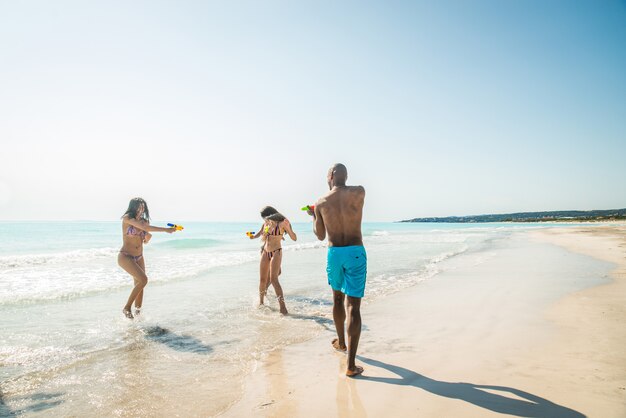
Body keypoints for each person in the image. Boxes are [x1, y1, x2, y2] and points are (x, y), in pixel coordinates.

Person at [307, 163, 366, 377]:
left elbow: (320, 235)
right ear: (346, 175)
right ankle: (350, 366)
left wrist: (314, 216)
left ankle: (341, 342)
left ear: (330, 176)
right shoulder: (359, 192)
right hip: (355, 251)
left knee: (338, 300)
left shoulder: (321, 202)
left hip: (335, 253)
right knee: (354, 306)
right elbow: (346, 198)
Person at [118, 197, 176, 319]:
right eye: (139, 206)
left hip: (139, 257)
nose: (141, 208)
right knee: (143, 280)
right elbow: (145, 228)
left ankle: (138, 316)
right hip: (126, 256)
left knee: (140, 286)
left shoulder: (144, 220)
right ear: (133, 207)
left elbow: (145, 236)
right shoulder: (127, 218)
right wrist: (166, 230)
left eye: (143, 206)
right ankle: (127, 308)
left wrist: (147, 238)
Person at [249, 206, 297, 315]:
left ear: (270, 214)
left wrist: (288, 227)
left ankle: (283, 307)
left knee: (274, 279)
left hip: (276, 252)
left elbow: (294, 238)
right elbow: (259, 234)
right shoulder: (266, 224)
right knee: (262, 279)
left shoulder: (282, 224)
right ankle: (261, 303)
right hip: (265, 252)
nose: (264, 219)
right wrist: (252, 237)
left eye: (265, 217)